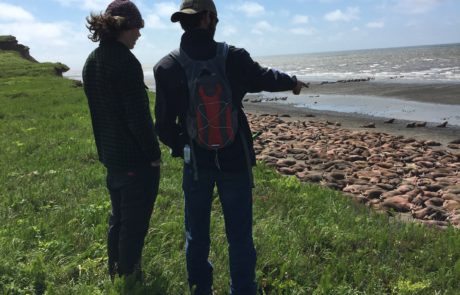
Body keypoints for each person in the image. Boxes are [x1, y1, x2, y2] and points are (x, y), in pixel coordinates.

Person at [154, 0, 308, 293]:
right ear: (210, 18)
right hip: (235, 159)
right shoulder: (234, 57)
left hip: (196, 165)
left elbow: (162, 125)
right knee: (239, 235)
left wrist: (183, 146)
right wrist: (293, 82)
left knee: (196, 235)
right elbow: (264, 78)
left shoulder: (167, 66)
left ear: (184, 22)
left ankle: (201, 289)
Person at [82, 0, 161, 281]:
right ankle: (130, 276)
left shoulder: (92, 60)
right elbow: (137, 118)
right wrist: (154, 154)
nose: (139, 34)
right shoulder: (126, 62)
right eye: (138, 27)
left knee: (118, 218)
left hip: (111, 156)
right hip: (135, 159)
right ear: (124, 27)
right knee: (134, 223)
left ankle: (116, 271)